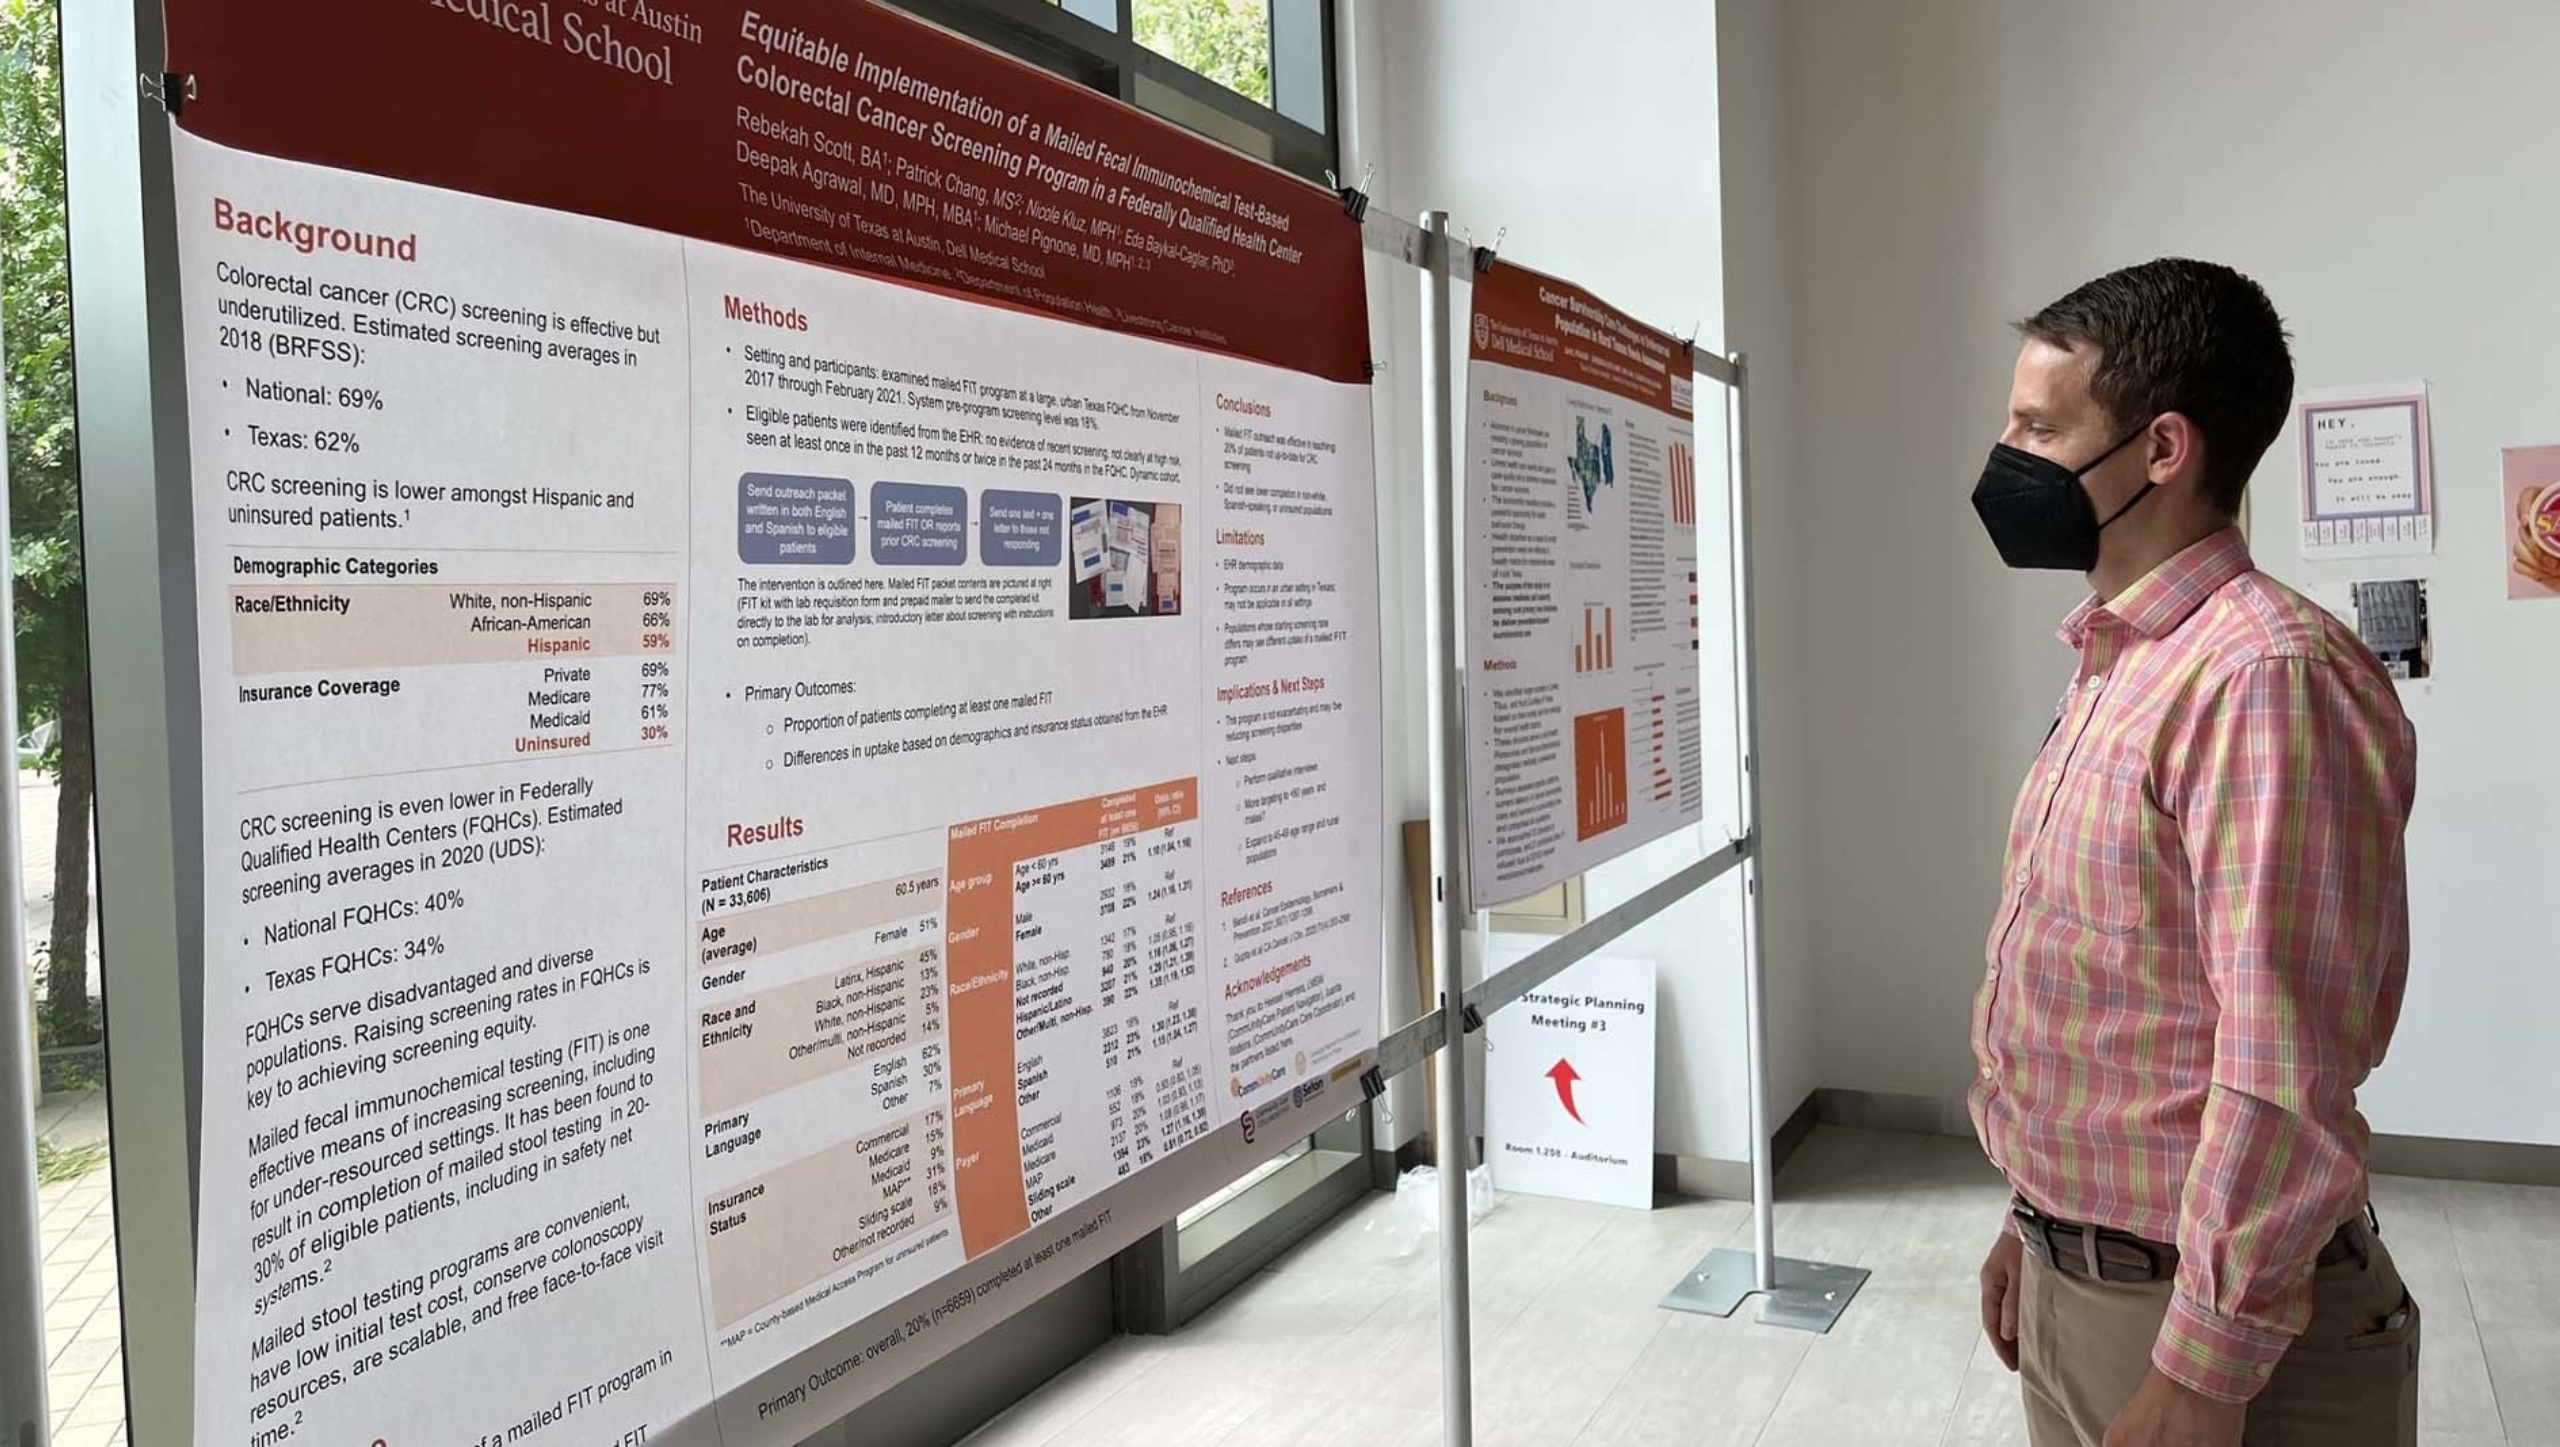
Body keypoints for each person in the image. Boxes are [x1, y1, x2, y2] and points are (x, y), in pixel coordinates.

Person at [1965, 258, 2420, 1447]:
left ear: (2161, 450)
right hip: (2085, 1279)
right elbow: (2115, 1004)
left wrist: (2204, 1373)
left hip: (2201, 1329)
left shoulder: (2264, 676)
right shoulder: (2124, 660)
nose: (2005, 452)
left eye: (2036, 425)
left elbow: (2283, 1063)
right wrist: (2032, 1221)